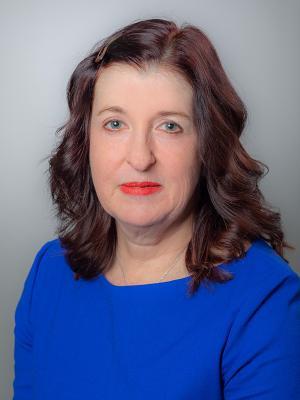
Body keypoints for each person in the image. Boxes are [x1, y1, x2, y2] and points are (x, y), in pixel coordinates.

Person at [13, 18, 300, 399]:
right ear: (86, 143)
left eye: (169, 127)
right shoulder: (49, 273)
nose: (140, 157)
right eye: (115, 124)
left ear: (208, 146)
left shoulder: (266, 301)